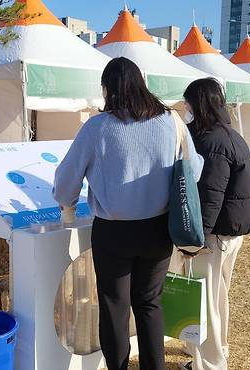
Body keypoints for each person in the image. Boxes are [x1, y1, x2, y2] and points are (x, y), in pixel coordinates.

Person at [53, 57, 203, 370]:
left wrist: (65, 202)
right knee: (149, 304)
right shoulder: (171, 122)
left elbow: (67, 181)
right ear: (141, 84)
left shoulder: (97, 127)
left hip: (113, 233)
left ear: (108, 89)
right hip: (159, 230)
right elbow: (195, 170)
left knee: (114, 307)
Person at [181, 78, 250, 370]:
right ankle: (217, 350)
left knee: (207, 300)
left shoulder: (212, 141)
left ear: (198, 104)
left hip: (215, 234)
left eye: (188, 103)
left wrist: (196, 240)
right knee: (218, 295)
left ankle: (211, 363)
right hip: (231, 232)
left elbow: (211, 196)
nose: (185, 108)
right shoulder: (230, 134)